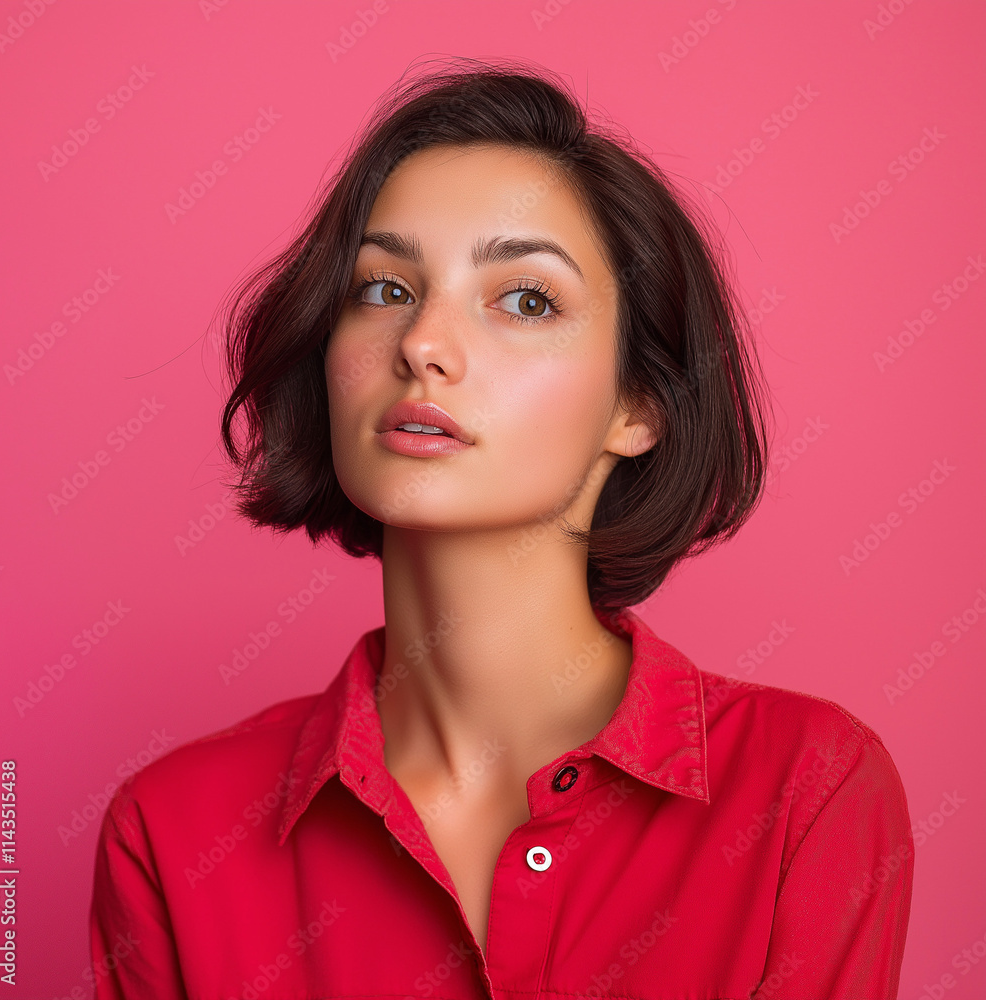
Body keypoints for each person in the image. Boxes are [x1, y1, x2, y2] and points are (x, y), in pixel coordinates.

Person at [89, 57, 913, 999]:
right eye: (384, 289)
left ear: (638, 403)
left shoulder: (806, 793)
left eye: (526, 300)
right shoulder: (172, 833)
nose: (423, 344)